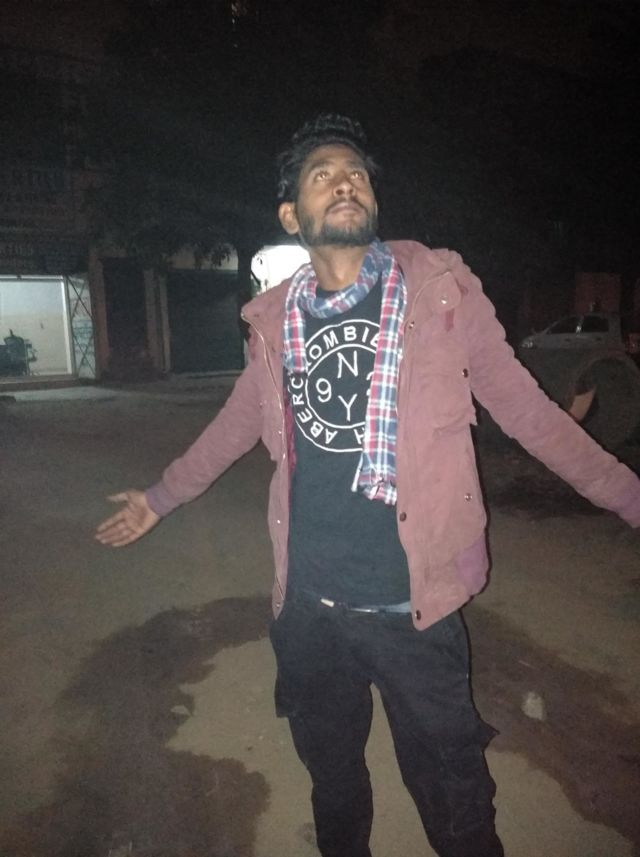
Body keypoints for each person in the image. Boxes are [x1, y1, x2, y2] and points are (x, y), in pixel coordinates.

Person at [96, 114, 640, 857]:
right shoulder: (275, 322)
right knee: (334, 784)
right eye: (322, 175)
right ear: (293, 215)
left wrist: (628, 496)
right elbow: (234, 426)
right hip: (309, 608)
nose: (344, 183)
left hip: (413, 607)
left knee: (455, 797)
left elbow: (529, 414)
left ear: (374, 199)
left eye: (355, 173)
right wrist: (159, 498)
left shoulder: (440, 293)